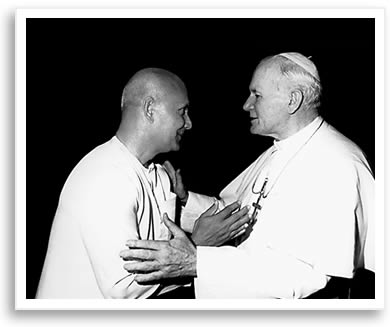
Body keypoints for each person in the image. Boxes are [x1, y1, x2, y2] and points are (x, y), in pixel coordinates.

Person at [120, 53, 375, 299]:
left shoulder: (336, 163)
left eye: (257, 95)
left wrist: (199, 262)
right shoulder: (278, 150)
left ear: (293, 100)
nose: (246, 104)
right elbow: (237, 215)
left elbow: (307, 275)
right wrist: (186, 201)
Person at [36, 68, 251, 299]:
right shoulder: (105, 175)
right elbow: (124, 288)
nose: (189, 124)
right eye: (182, 111)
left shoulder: (157, 174)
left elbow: (164, 238)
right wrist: (196, 248)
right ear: (150, 109)